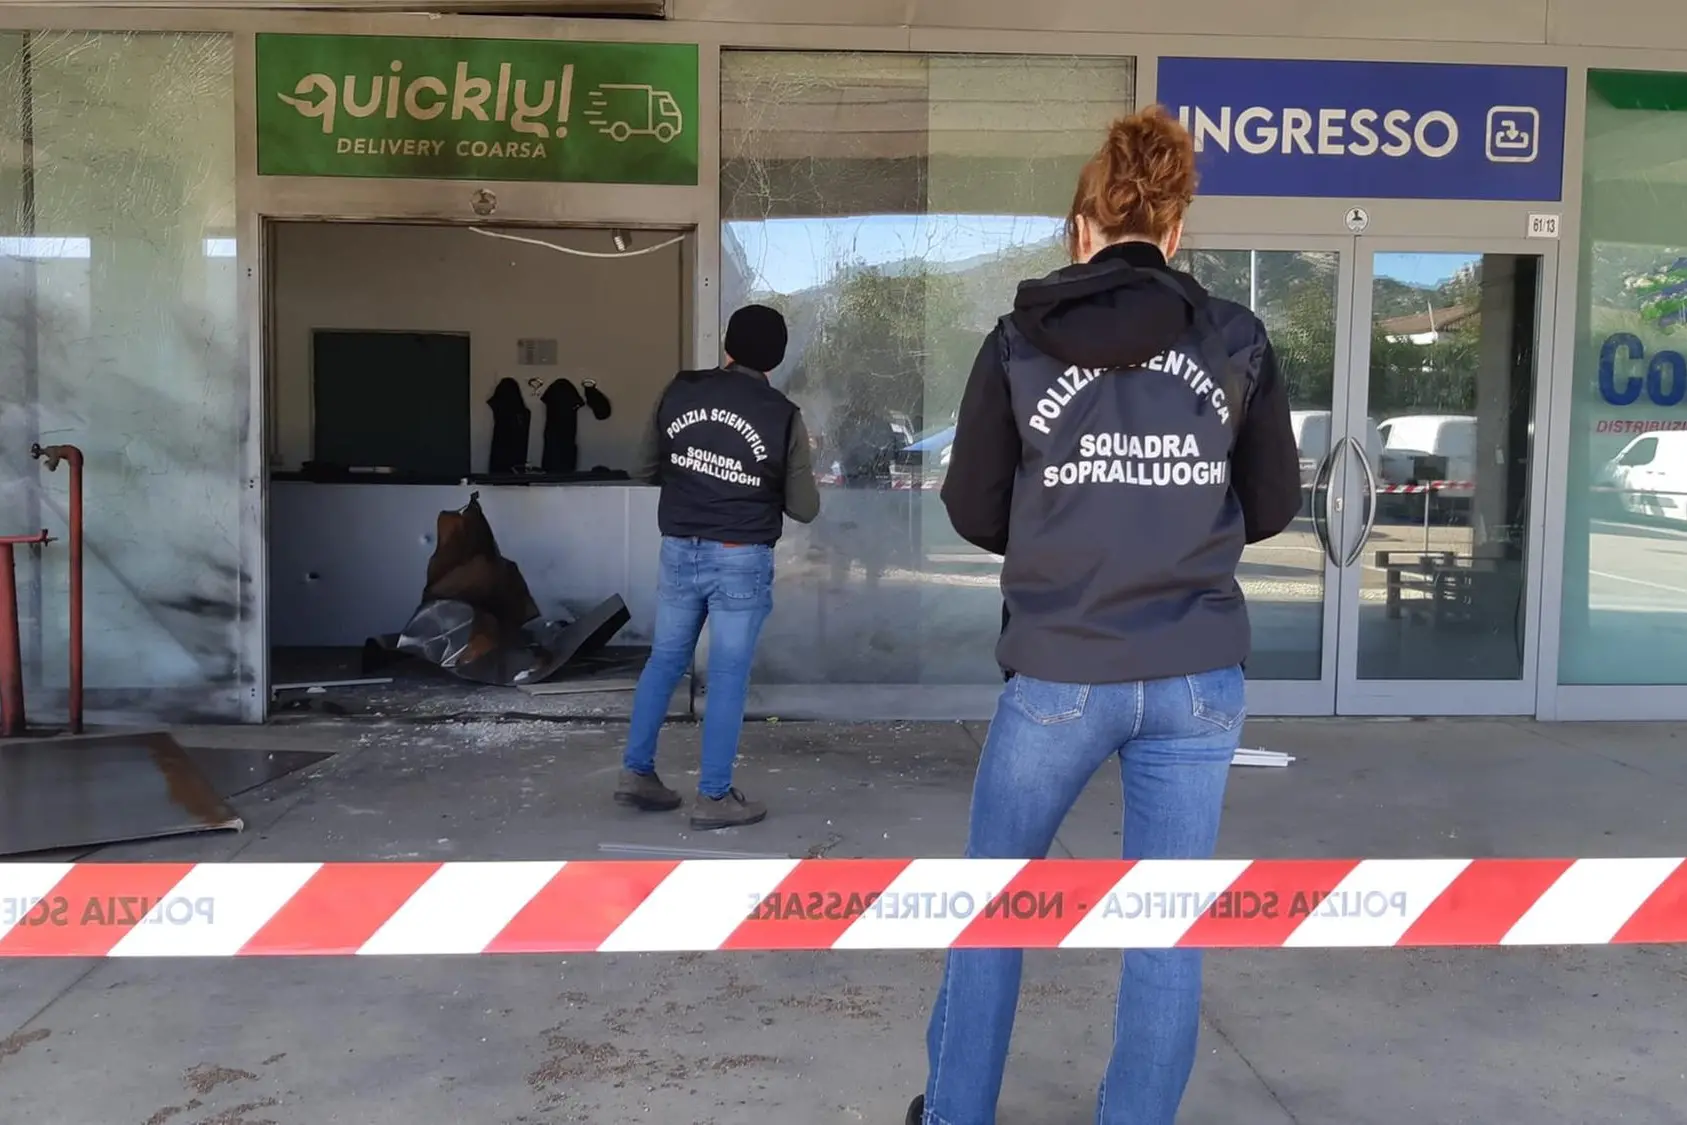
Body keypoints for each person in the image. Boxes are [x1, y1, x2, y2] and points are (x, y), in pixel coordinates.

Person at [905, 105, 1302, 1125]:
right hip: (1196, 675)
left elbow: (971, 505)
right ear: (1175, 230)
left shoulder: (1017, 341)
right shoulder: (1235, 341)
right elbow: (1272, 504)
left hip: (1060, 669)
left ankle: (954, 1114)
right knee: (1163, 929)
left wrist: (1062, 531)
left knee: (993, 909)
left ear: (1081, 227)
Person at [614, 304, 821, 830]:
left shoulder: (679, 389)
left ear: (727, 345)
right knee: (727, 675)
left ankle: (637, 772)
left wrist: (696, 472)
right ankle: (713, 797)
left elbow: (642, 468)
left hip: (679, 546)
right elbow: (805, 508)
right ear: (775, 358)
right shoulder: (782, 414)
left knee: (665, 660)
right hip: (741, 555)